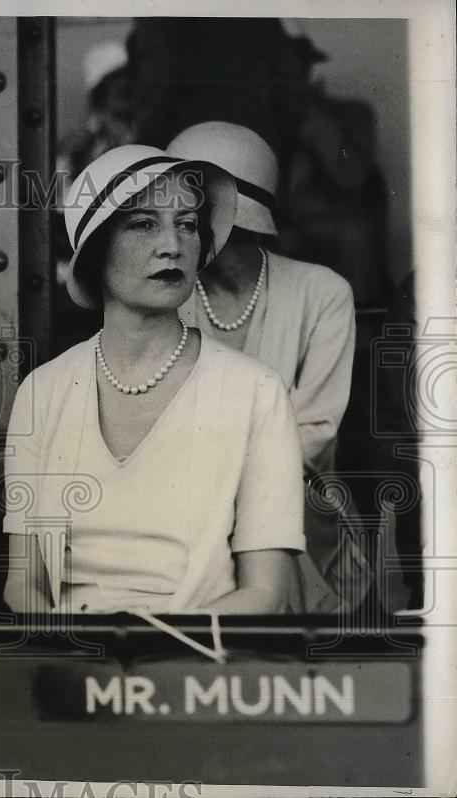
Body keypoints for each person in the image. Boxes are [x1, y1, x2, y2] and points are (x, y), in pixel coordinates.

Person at [3, 145, 305, 615]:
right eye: (143, 224)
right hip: (69, 666)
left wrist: (152, 655)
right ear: (96, 249)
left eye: (187, 225)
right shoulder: (43, 393)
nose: (173, 245)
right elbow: (24, 585)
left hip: (198, 667)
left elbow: (266, 592)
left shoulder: (256, 393)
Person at [168, 122, 361, 613]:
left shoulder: (323, 293)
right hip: (182, 524)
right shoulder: (162, 294)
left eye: (186, 213)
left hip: (301, 524)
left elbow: (314, 434)